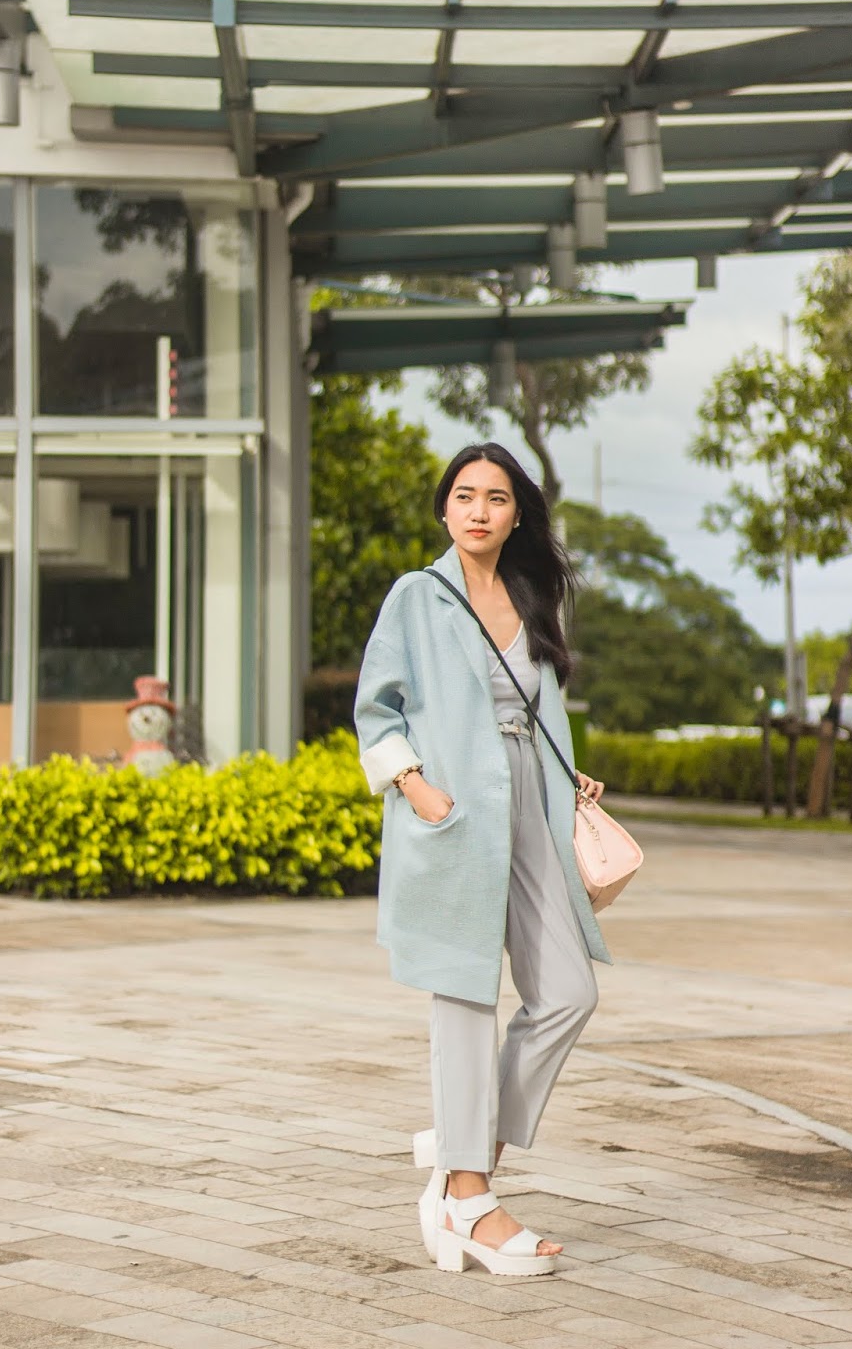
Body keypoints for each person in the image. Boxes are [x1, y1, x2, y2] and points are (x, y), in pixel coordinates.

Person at [354, 442, 611, 1277]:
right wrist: (417, 788)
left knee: (569, 992)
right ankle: (468, 1198)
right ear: (444, 509)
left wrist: (569, 777)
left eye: (496, 498)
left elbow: (542, 710)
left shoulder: (535, 597)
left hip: (531, 805)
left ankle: (468, 1144)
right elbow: (375, 710)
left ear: (516, 514)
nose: (478, 511)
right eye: (463, 495)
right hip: (456, 812)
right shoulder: (416, 598)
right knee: (464, 997)